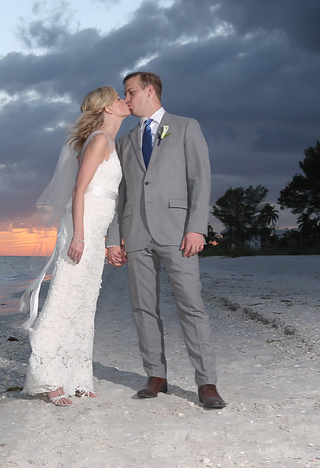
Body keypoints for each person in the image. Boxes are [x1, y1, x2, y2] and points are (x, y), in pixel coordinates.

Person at [106, 71, 225, 409]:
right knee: (143, 307)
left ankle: (207, 383)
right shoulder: (124, 142)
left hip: (178, 232)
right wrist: (113, 239)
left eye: (130, 92)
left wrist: (197, 227)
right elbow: (119, 195)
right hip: (136, 234)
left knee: (191, 304)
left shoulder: (186, 127)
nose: (126, 99)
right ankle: (156, 375)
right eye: (124, 94)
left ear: (150, 90)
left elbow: (200, 179)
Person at [20, 86, 130, 406]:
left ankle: (77, 377)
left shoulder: (110, 141)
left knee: (84, 304)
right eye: (118, 98)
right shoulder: (99, 139)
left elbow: (109, 196)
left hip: (95, 232)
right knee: (64, 300)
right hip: (81, 229)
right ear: (107, 108)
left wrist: (106, 240)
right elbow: (79, 190)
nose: (124, 100)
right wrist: (79, 236)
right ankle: (47, 379)